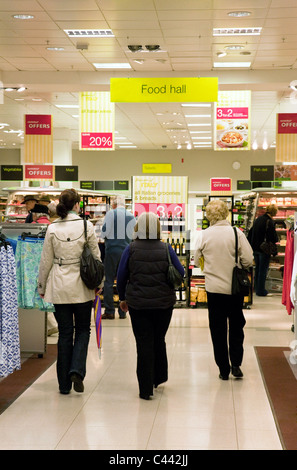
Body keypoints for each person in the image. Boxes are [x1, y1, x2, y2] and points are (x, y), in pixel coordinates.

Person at [38, 188, 102, 395]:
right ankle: (77, 370)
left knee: (65, 333)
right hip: (82, 286)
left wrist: (41, 286)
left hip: (59, 285)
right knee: (83, 329)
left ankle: (63, 384)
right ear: (77, 205)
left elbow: (46, 260)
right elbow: (96, 257)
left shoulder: (52, 228)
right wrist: (99, 283)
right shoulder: (86, 225)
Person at [117, 212, 185, 400]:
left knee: (143, 342)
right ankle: (159, 377)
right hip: (164, 304)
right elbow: (181, 272)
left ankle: (145, 388)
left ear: (137, 227)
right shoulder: (166, 248)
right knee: (159, 338)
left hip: (138, 304)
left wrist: (122, 298)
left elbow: (121, 275)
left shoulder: (130, 249)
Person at [194, 199, 253, 381]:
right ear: (226, 213)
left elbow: (196, 261)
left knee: (217, 329)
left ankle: (223, 369)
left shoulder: (203, 235)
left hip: (214, 290)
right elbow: (249, 260)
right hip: (234, 289)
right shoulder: (237, 233)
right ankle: (236, 364)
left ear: (209, 215)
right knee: (236, 326)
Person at [101, 195, 136, 319]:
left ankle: (109, 311)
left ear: (114, 205)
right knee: (125, 280)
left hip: (111, 251)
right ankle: (123, 311)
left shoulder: (111, 214)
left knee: (109, 281)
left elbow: (104, 232)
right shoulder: (131, 216)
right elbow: (134, 235)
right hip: (126, 251)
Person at [248, 204, 278, 296]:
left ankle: (256, 288)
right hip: (264, 249)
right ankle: (261, 291)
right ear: (274, 212)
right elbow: (272, 237)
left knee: (257, 269)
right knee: (263, 270)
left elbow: (251, 233)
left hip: (255, 248)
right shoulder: (269, 221)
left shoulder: (258, 219)